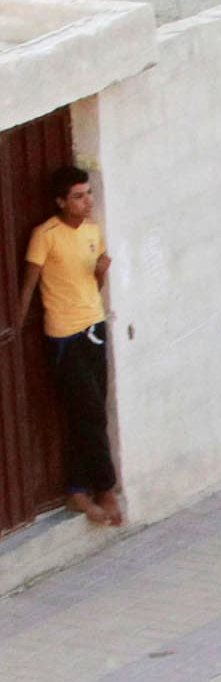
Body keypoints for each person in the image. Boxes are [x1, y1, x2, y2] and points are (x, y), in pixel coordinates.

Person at [9, 166, 122, 526]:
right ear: (60, 201)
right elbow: (29, 284)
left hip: (94, 327)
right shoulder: (46, 235)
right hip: (64, 336)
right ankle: (105, 487)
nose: (87, 201)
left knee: (87, 413)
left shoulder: (92, 231)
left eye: (88, 193)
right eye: (78, 196)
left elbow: (93, 284)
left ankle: (77, 490)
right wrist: (14, 327)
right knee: (90, 412)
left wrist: (102, 271)